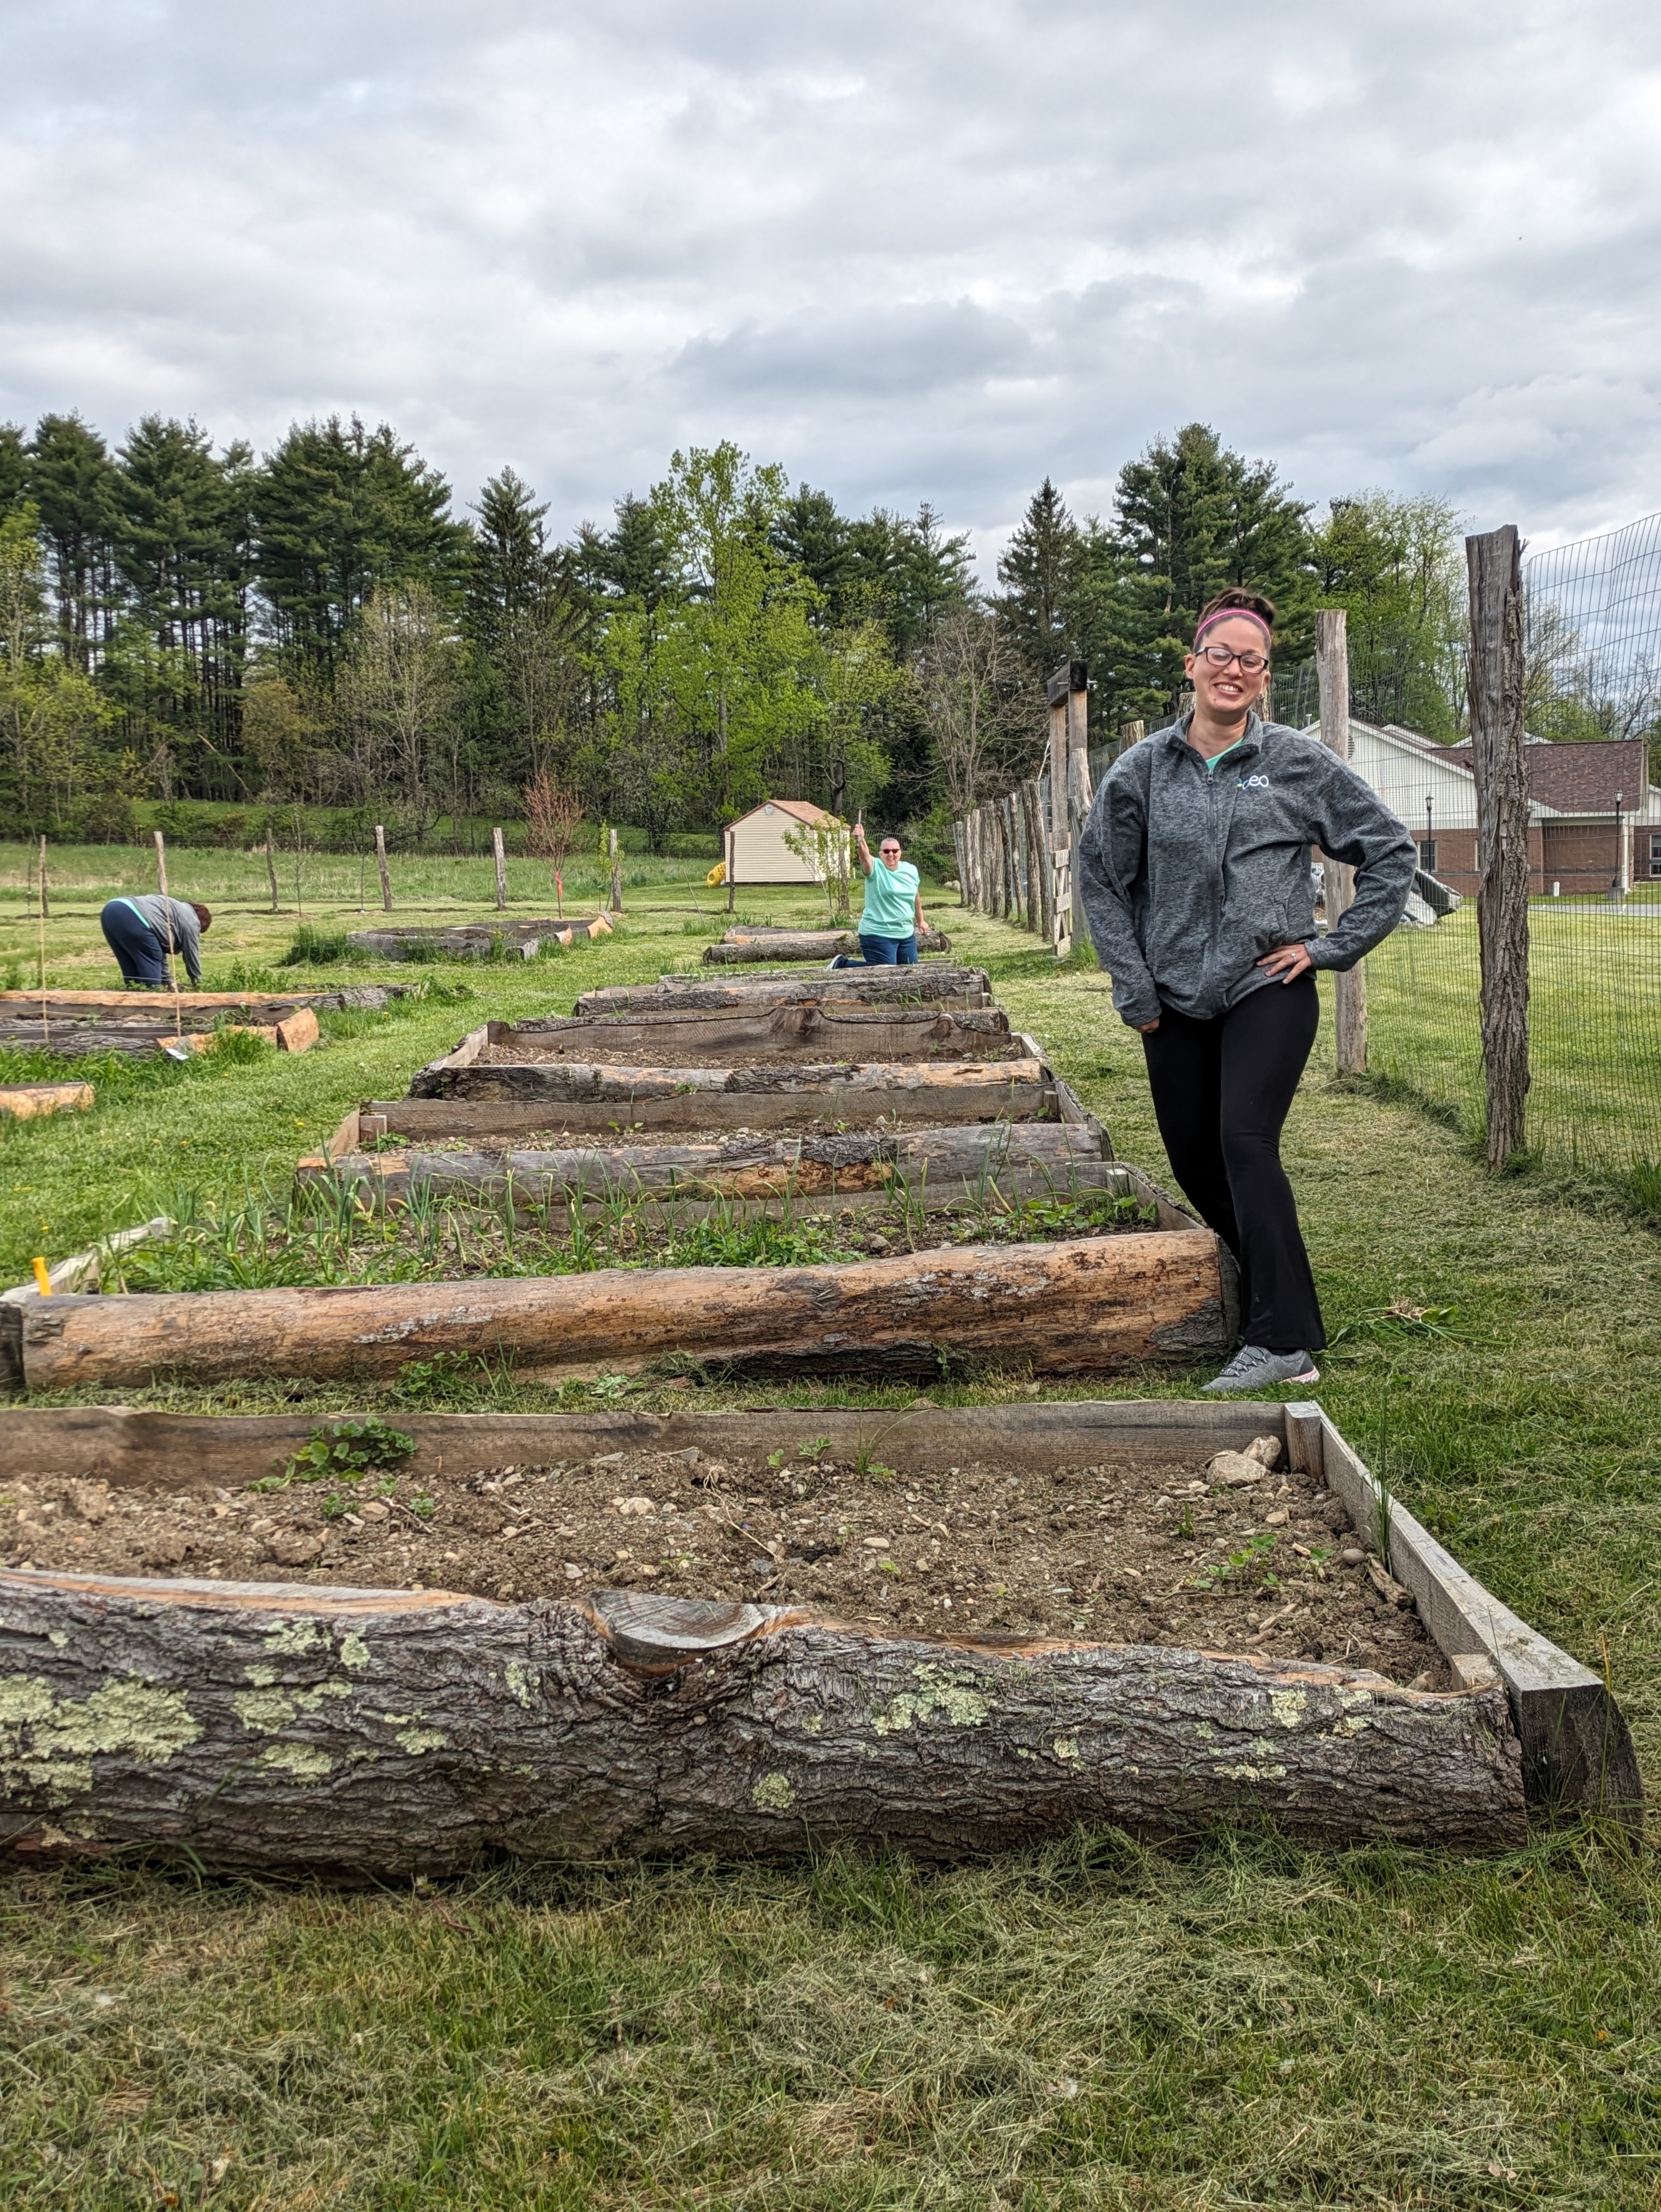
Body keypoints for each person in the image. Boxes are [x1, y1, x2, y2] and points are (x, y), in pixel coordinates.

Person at [1077, 588, 1416, 1394]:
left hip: (1267, 983)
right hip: (1172, 997)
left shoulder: (1298, 763)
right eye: (1220, 655)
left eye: (1251, 660)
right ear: (1192, 666)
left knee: (1243, 1141)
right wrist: (1135, 987)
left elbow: (1390, 853)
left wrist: (1331, 945)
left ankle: (1281, 1338)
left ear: (1263, 679)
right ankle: (1266, 1297)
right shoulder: (1142, 770)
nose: (1233, 669)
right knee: (1195, 1160)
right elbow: (1101, 879)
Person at [828, 823, 926, 967]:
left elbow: (915, 896)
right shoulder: (875, 868)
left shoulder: (910, 870)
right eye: (886, 851)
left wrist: (921, 920)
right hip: (878, 932)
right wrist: (861, 840)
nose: (891, 854)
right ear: (880, 854)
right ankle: (841, 964)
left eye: (895, 851)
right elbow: (865, 858)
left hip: (905, 932)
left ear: (900, 852)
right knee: (884, 971)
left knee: (910, 971)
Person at [100, 894, 211, 988]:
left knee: (130, 965)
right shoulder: (192, 921)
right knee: (153, 958)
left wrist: (168, 981)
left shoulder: (175, 909)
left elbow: (156, 945)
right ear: (203, 923)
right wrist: (198, 984)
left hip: (111, 910)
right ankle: (152, 1002)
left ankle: (133, 999)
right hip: (134, 915)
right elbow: (191, 954)